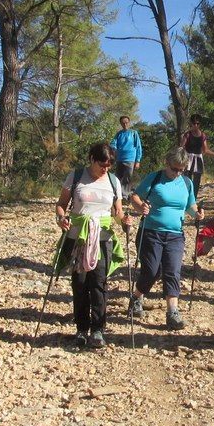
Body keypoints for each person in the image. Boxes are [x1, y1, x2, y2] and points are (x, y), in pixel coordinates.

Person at [54, 142, 132, 349]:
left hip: (103, 238)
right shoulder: (77, 176)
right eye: (101, 165)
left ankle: (98, 330)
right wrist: (61, 219)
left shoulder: (113, 181)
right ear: (92, 159)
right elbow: (61, 204)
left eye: (108, 166)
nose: (105, 169)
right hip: (78, 237)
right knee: (79, 284)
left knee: (99, 284)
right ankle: (81, 329)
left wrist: (123, 221)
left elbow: (117, 212)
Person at [127, 147, 203, 330]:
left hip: (175, 234)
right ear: (167, 164)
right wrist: (140, 207)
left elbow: (190, 205)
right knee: (152, 271)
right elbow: (134, 197)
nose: (177, 173)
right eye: (174, 168)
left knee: (172, 271)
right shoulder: (154, 178)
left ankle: (172, 312)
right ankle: (136, 297)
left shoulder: (186, 183)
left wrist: (197, 214)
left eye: (181, 169)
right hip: (151, 232)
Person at [180, 114, 214, 193]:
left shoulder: (203, 136)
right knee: (187, 180)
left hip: (198, 159)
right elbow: (180, 148)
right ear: (191, 123)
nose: (195, 125)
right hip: (188, 159)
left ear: (200, 124)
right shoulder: (188, 135)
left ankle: (193, 201)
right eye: (194, 123)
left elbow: (205, 150)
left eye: (197, 123)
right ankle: (186, 199)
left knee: (196, 181)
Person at [111, 115, 143, 195]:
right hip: (119, 159)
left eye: (126, 122)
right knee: (118, 178)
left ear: (129, 123)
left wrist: (138, 161)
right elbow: (113, 144)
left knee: (127, 178)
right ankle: (117, 194)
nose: (125, 124)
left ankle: (125, 195)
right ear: (121, 124)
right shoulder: (119, 134)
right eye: (123, 123)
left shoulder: (133, 133)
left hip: (130, 159)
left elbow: (138, 147)